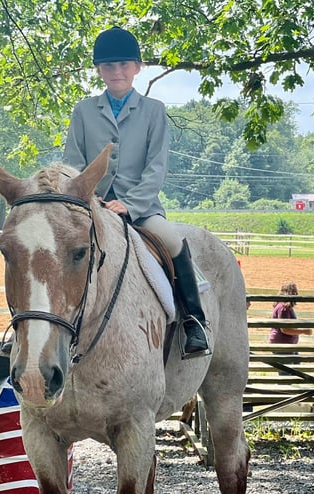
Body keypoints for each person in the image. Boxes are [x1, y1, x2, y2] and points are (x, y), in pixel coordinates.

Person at [62, 26, 209, 358]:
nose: (117, 72)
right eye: (109, 66)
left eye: (124, 65)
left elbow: (156, 167)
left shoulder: (153, 110)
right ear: (99, 70)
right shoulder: (84, 111)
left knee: (172, 241)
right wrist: (90, 200)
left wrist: (129, 204)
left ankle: (193, 322)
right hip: (91, 205)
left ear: (137, 67)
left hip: (141, 207)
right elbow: (73, 162)